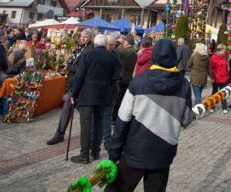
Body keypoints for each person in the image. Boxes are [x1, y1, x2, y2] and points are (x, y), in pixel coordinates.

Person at [106, 39, 193, 192]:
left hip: (136, 149)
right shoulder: (184, 85)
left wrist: (114, 153)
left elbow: (122, 120)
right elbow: (186, 119)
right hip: (164, 151)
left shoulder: (138, 82)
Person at [70, 34, 121, 164]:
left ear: (95, 43)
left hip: (87, 94)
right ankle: (96, 151)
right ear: (104, 44)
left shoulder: (87, 56)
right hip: (103, 94)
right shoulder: (113, 57)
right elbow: (116, 77)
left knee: (86, 124)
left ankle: (84, 154)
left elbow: (79, 77)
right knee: (99, 123)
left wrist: (73, 94)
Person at [46, 30, 94, 145]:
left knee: (77, 111)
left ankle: (90, 135)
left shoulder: (89, 50)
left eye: (85, 37)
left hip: (80, 85)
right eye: (81, 36)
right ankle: (60, 133)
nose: (82, 38)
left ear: (90, 38)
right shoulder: (81, 48)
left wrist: (69, 67)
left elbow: (81, 69)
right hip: (74, 83)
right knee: (69, 109)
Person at [113, 35, 137, 127]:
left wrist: (118, 41)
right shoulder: (134, 52)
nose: (124, 42)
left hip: (122, 78)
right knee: (123, 98)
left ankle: (115, 118)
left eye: (125, 41)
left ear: (128, 42)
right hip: (128, 77)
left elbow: (114, 49)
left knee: (118, 99)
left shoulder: (125, 51)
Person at [209, 44, 230, 113]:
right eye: (224, 50)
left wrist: (227, 75)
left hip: (223, 78)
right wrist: (212, 77)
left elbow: (226, 67)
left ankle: (224, 107)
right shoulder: (214, 57)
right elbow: (211, 68)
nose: (225, 51)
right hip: (216, 78)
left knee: (223, 93)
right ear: (220, 50)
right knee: (215, 93)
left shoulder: (224, 57)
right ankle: (212, 107)